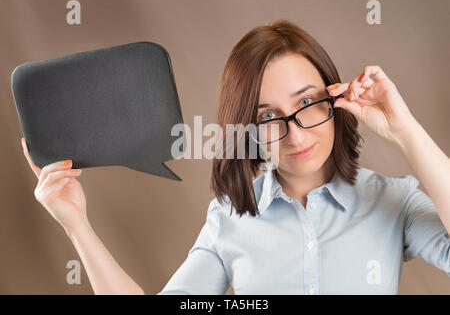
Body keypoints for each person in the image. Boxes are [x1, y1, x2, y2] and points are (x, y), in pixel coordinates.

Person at [21, 20, 450, 295]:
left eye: (308, 102)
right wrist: (77, 225)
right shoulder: (228, 220)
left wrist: (405, 130)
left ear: (335, 99)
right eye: (267, 116)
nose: (294, 132)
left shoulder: (395, 202)